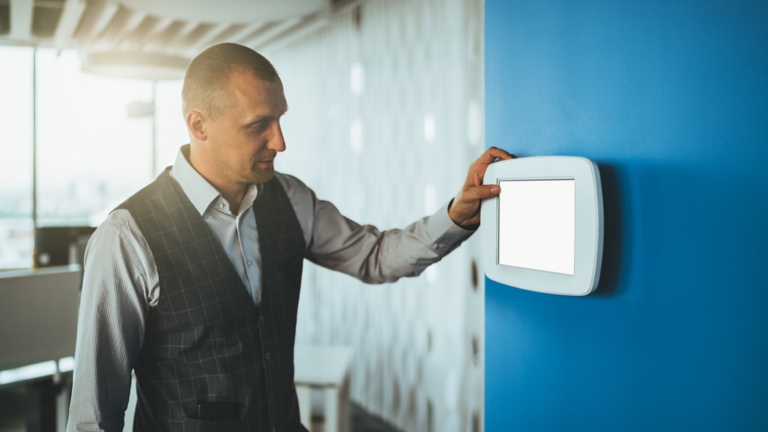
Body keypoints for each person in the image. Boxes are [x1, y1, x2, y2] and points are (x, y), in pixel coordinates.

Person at [67, 43, 512, 432]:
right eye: (258, 125)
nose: (280, 142)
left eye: (279, 118)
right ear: (199, 126)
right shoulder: (126, 237)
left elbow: (375, 256)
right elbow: (93, 416)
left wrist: (456, 214)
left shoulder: (291, 198)